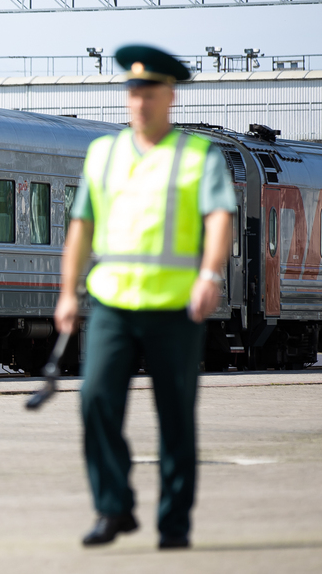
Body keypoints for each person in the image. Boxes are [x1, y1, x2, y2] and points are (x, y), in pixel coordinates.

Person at [54, 45, 236, 550]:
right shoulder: (103, 154)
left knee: (175, 415)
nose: (138, 101)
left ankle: (173, 524)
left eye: (149, 91)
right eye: (132, 91)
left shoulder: (198, 156)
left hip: (174, 308)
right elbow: (82, 226)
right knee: (95, 401)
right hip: (112, 303)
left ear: (169, 96)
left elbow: (219, 216)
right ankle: (113, 507)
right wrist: (68, 292)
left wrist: (209, 274)